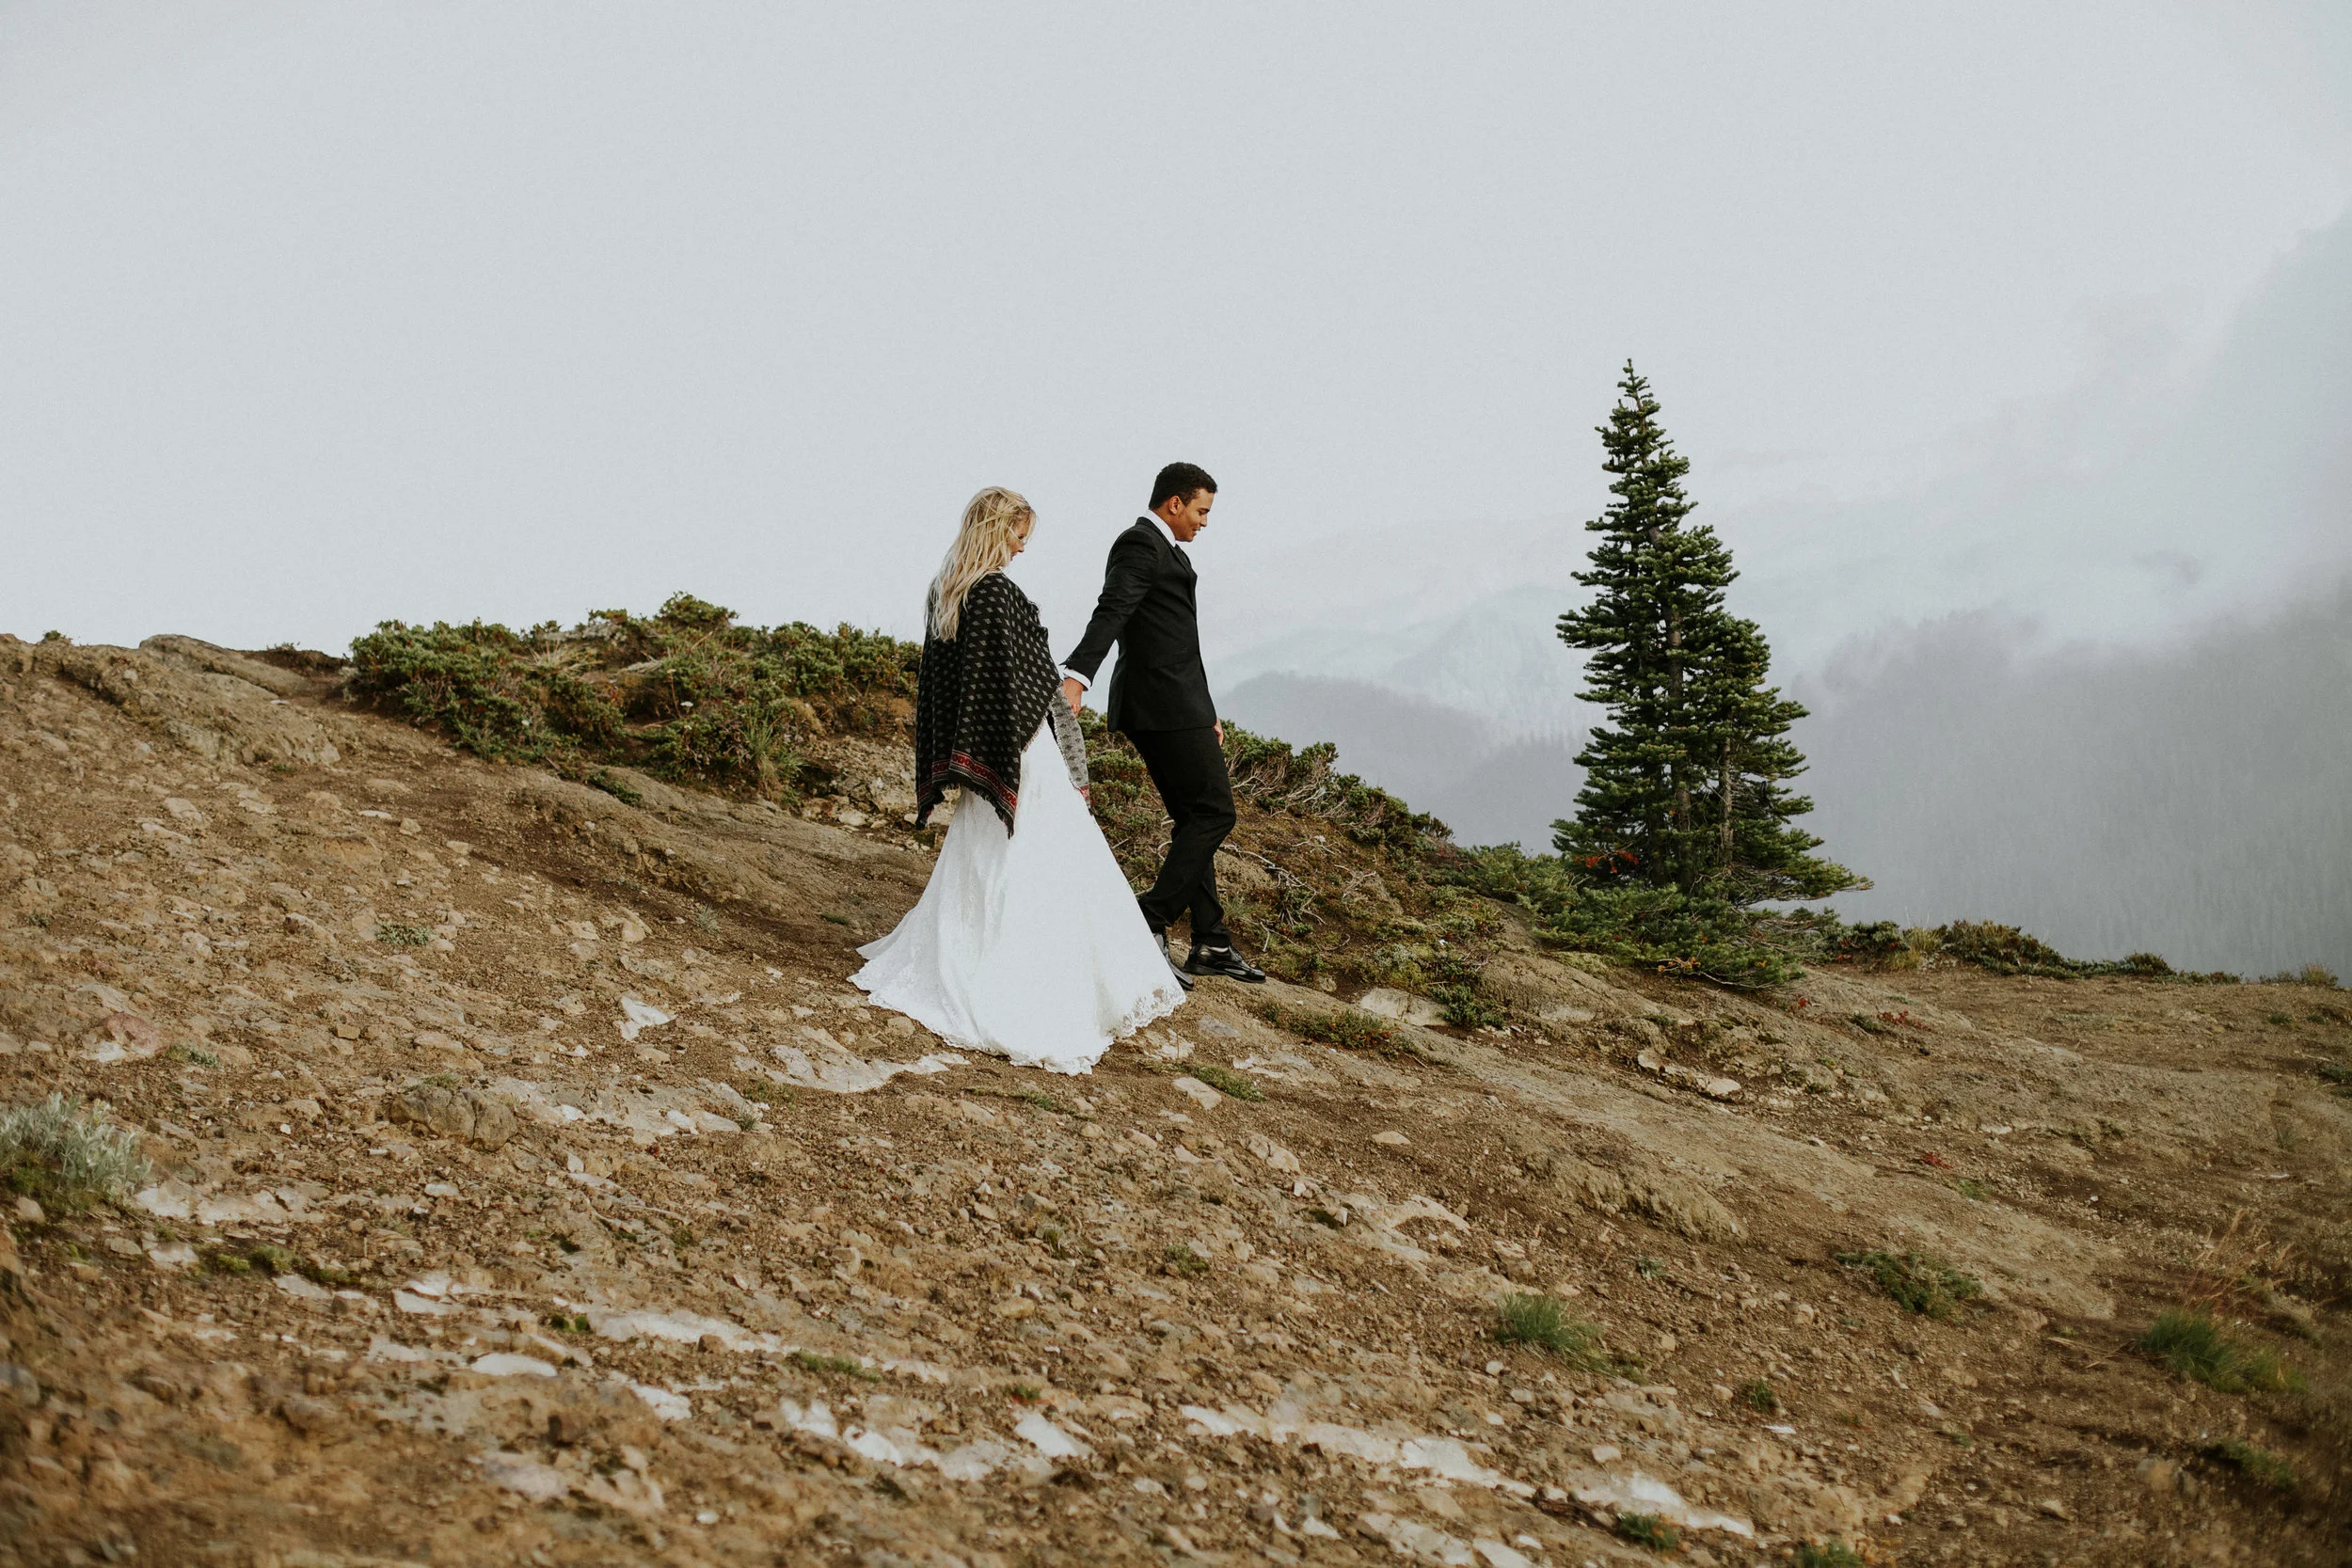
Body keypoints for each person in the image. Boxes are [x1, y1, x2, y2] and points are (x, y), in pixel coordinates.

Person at [852, 487, 1185, 1073]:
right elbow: (1019, 686)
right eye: (1018, 535)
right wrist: (1058, 752)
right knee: (1040, 857)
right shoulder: (995, 594)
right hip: (1021, 749)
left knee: (989, 853)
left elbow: (954, 685)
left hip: (983, 750)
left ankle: (982, 955)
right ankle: (1035, 980)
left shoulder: (944, 590)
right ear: (994, 530)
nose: (1023, 548)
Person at [1060, 462, 1265, 990]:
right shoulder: (1139, 545)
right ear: (1174, 503)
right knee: (1216, 812)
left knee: (1194, 817)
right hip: (1162, 707)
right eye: (1201, 510)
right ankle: (1148, 919)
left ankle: (1211, 941)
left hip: (1181, 704)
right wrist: (1078, 676)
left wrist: (1208, 710)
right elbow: (1112, 610)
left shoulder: (1166, 550)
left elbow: (1178, 642)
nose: (1204, 522)